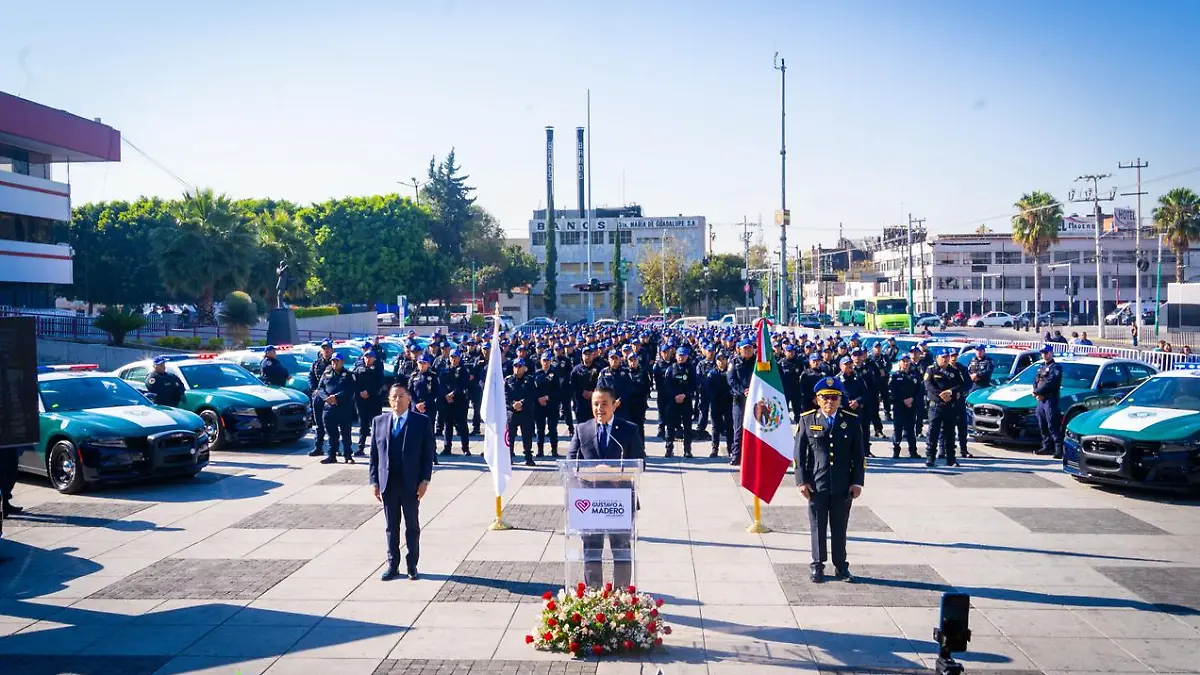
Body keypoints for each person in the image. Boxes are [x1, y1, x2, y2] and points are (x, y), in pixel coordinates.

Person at [566, 385, 646, 589]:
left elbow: (639, 462)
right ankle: (593, 593)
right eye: (595, 404)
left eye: (604, 404)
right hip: (589, 502)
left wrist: (610, 471)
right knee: (591, 549)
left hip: (618, 501)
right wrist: (593, 471)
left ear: (614, 405)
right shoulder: (582, 430)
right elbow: (570, 463)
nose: (599, 408)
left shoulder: (629, 429)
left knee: (621, 549)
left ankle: (621, 595)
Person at [794, 377, 865, 583]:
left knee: (839, 526)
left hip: (843, 484)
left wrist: (857, 482)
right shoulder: (808, 419)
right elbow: (799, 454)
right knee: (817, 525)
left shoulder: (850, 420)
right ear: (817, 399)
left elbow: (858, 455)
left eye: (834, 398)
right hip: (816, 483)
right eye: (825, 397)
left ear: (840, 399)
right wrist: (801, 481)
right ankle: (817, 564)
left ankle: (841, 566)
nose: (830, 402)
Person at [369, 382, 435, 581]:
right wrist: (374, 482)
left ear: (409, 399)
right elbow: (374, 455)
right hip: (388, 483)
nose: (397, 400)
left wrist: (425, 480)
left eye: (400, 396)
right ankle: (392, 564)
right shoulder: (379, 422)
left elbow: (428, 454)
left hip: (411, 484)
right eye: (393, 397)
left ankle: (412, 564)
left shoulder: (421, 422)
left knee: (412, 525)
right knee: (391, 527)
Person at [923, 350, 965, 467]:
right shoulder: (931, 369)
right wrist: (941, 394)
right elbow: (928, 385)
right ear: (937, 357)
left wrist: (950, 392)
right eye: (943, 357)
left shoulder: (954, 371)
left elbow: (961, 384)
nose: (945, 359)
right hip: (936, 407)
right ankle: (930, 458)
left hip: (950, 407)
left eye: (947, 357)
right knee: (933, 433)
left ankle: (951, 459)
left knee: (950, 434)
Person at [316, 353, 355, 464]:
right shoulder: (327, 373)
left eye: (337, 361)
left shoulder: (348, 375)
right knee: (332, 434)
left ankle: (348, 455)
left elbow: (350, 390)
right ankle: (331, 455)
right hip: (329, 408)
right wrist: (326, 398)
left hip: (343, 408)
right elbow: (321, 388)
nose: (334, 363)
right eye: (333, 361)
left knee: (346, 433)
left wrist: (336, 397)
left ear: (342, 362)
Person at [662, 345, 697, 458]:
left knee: (687, 426)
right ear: (676, 356)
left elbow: (694, 384)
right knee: (670, 426)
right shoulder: (671, 368)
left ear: (687, 356)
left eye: (683, 355)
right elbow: (667, 385)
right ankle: (669, 448)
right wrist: (675, 396)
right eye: (679, 355)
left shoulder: (691, 368)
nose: (681, 358)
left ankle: (687, 450)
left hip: (686, 401)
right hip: (673, 401)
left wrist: (685, 395)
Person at [436, 349, 472, 456]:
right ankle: (447, 447)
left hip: (460, 401)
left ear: (459, 358)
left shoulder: (464, 371)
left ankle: (465, 448)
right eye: (452, 357)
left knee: (462, 425)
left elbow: (463, 385)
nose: (453, 359)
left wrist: (453, 393)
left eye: (456, 357)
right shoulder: (444, 370)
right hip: (447, 401)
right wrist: (446, 395)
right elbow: (441, 384)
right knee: (448, 425)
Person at [727, 340, 756, 466]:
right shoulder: (734, 362)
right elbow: (731, 380)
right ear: (740, 349)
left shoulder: (758, 362)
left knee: (755, 430)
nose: (748, 350)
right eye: (745, 348)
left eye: (750, 348)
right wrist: (743, 391)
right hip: (739, 400)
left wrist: (753, 390)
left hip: (755, 400)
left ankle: (752, 455)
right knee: (738, 429)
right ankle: (736, 455)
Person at [352, 348, 385, 457]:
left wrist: (369, 392)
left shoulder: (377, 369)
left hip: (374, 400)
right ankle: (360, 447)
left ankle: (378, 448)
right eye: (366, 357)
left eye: (370, 357)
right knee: (363, 424)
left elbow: (380, 384)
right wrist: (360, 392)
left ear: (374, 358)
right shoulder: (358, 368)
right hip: (361, 400)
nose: (368, 359)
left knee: (376, 424)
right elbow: (354, 383)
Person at [1033, 345, 1064, 459]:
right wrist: (1036, 391)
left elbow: (1051, 382)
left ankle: (1058, 449)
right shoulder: (1041, 367)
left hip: (1050, 399)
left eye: (1046, 352)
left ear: (1051, 353)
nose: (1044, 355)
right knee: (1042, 423)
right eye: (1042, 353)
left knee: (1052, 423)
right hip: (1041, 400)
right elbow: (1036, 381)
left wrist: (1038, 392)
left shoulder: (1056, 367)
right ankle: (1046, 446)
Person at [506, 357, 537, 466]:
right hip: (512, 412)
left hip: (526, 411)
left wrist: (522, 403)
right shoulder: (508, 380)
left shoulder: (530, 380)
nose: (517, 369)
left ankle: (528, 457)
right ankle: (508, 457)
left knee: (527, 436)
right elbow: (505, 396)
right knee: (510, 436)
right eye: (515, 366)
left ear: (524, 368)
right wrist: (513, 404)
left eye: (520, 366)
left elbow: (532, 395)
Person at [889, 354, 920, 458]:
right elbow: (892, 392)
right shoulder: (895, 376)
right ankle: (896, 450)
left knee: (910, 428)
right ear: (900, 363)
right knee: (898, 428)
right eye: (903, 361)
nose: (906, 363)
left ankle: (913, 451)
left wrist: (912, 399)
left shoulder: (915, 375)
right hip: (899, 406)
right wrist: (902, 400)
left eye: (907, 361)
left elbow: (920, 390)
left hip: (911, 405)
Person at [307, 340, 335, 457]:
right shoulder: (316, 364)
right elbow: (311, 378)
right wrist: (314, 390)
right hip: (318, 398)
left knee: (332, 425)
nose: (326, 350)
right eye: (324, 348)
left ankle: (334, 448)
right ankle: (318, 447)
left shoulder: (335, 363)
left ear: (332, 350)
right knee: (319, 425)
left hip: (330, 398)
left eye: (328, 348)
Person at [533, 352, 563, 458]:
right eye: (544, 360)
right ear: (541, 361)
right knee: (540, 429)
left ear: (551, 361)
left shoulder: (555, 374)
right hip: (539, 406)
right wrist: (538, 398)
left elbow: (558, 391)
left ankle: (554, 450)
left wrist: (548, 397)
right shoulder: (536, 374)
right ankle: (540, 450)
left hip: (552, 405)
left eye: (547, 360)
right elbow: (533, 390)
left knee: (552, 429)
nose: (546, 363)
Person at [705, 351, 733, 457]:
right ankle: (714, 448)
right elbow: (708, 388)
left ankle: (730, 447)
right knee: (715, 427)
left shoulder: (730, 372)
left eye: (723, 359)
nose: (721, 362)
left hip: (728, 402)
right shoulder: (712, 373)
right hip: (716, 403)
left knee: (729, 426)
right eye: (719, 360)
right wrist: (713, 397)